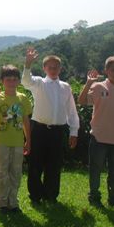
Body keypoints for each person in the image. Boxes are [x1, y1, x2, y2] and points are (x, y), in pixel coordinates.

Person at [22, 48, 79, 205]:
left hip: (58, 131)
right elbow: (26, 81)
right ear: (44, 68)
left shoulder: (65, 87)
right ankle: (35, 195)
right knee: (35, 163)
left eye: (56, 67)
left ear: (60, 69)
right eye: (50, 67)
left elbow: (71, 111)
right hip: (39, 129)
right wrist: (28, 64)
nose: (53, 70)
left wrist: (74, 131)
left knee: (54, 165)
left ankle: (51, 195)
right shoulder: (39, 83)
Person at [78, 56, 114, 209]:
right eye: (113, 70)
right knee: (95, 170)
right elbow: (81, 101)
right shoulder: (98, 87)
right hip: (99, 136)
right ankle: (94, 198)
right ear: (106, 70)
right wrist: (88, 83)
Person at [0, 65, 31, 214]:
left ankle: (13, 202)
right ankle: (1, 203)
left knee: (16, 172)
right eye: (8, 79)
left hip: (18, 142)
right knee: (1, 172)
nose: (11, 82)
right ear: (2, 81)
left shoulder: (23, 98)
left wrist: (28, 140)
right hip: (1, 142)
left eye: (14, 79)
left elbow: (25, 121)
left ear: (19, 81)